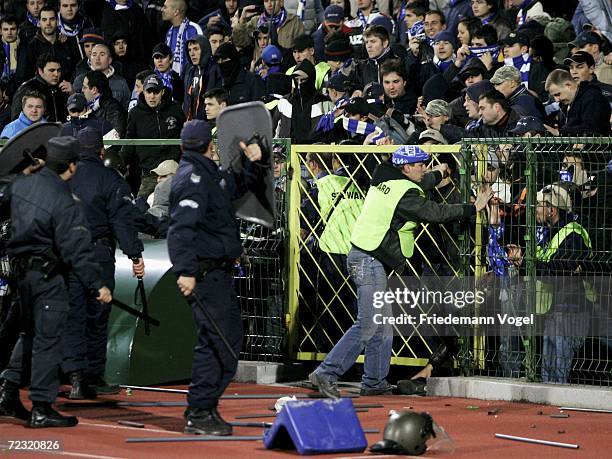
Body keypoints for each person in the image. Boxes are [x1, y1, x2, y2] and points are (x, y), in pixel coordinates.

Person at [308, 145, 492, 397]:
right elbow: (435, 212)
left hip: (366, 257)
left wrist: (439, 173)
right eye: (420, 164)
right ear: (406, 167)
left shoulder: (384, 176)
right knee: (369, 324)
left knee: (382, 326)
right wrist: (474, 207)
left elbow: (420, 182)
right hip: (369, 260)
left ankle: (374, 382)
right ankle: (326, 373)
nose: (424, 168)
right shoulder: (405, 195)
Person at [0, 136, 112, 427]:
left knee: (28, 335)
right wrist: (96, 285)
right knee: (49, 341)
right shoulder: (64, 199)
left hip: (20, 275)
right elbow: (75, 247)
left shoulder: (22, 184)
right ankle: (41, 406)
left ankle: (8, 391)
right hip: (48, 276)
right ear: (71, 166)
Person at [167, 119, 266, 435]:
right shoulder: (192, 179)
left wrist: (254, 162)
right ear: (209, 146)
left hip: (217, 273)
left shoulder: (208, 175)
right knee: (219, 343)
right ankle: (200, 410)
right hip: (206, 273)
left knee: (223, 342)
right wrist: (186, 270)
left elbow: (234, 186)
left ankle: (203, 407)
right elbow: (180, 230)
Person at [62, 127, 144, 399]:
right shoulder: (110, 179)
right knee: (97, 316)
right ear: (101, 150)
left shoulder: (65, 177)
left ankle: (73, 376)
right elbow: (122, 221)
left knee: (73, 315)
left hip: (68, 255)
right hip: (97, 254)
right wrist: (135, 255)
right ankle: (92, 376)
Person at [122, 74, 185, 198]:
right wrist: (120, 164)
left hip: (174, 171)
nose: (152, 96)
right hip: (150, 173)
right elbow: (129, 142)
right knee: (141, 209)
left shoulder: (175, 109)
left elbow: (185, 136)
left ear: (162, 92)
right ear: (143, 92)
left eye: (156, 92)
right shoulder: (135, 114)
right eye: (149, 91)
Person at [544, 69, 611, 136]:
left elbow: (592, 129)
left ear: (568, 85)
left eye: (558, 94)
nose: (556, 100)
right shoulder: (565, 104)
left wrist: (560, 132)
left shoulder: (593, 97)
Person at [11, 53, 70, 122]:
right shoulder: (27, 89)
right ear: (40, 71)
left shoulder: (63, 88)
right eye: (51, 70)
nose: (56, 74)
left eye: (58, 70)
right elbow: (16, 119)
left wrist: (72, 94)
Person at [162, 0, 203, 77]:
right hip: (175, 81)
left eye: (165, 7)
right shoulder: (169, 32)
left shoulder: (194, 29)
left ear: (176, 12)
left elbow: (203, 54)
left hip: (192, 78)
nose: (162, 9)